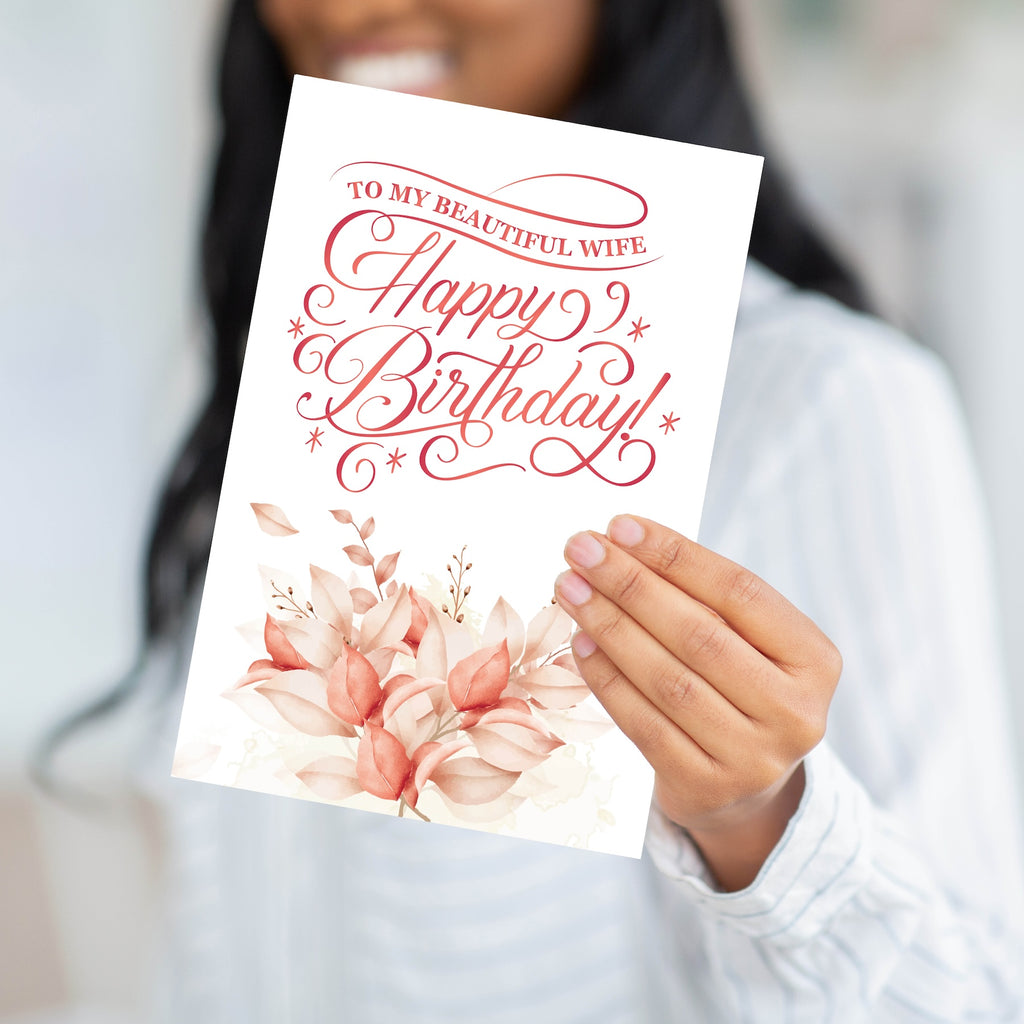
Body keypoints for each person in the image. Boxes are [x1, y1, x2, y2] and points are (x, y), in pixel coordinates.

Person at [131, 0, 1023, 1020]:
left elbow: (977, 1000)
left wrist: (762, 827)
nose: (340, 9)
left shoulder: (823, 399)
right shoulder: (258, 392)